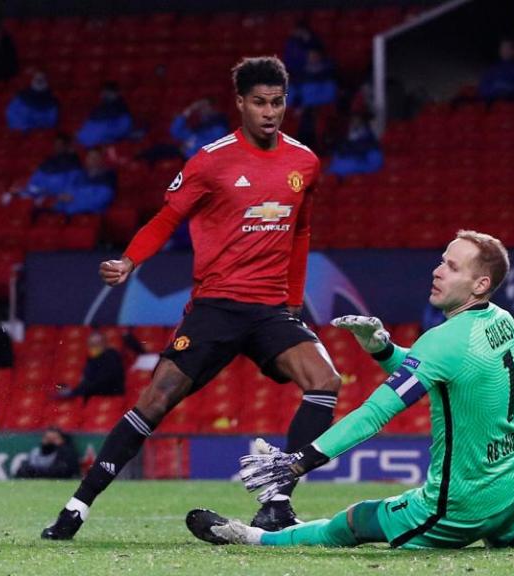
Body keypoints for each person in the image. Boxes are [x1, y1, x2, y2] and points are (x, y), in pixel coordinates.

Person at [186, 231, 514, 552]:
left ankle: (252, 538)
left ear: (480, 283)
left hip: (458, 504)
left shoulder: (443, 342)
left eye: (451, 267)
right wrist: (384, 348)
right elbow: (445, 371)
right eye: (441, 260)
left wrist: (298, 461)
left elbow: (374, 414)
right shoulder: (503, 322)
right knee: (506, 531)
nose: (437, 270)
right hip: (511, 489)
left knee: (356, 520)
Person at [41, 56, 341, 540]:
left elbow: (301, 232)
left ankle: (279, 503)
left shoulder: (303, 162)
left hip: (269, 310)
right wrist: (130, 262)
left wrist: (291, 299)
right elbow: (165, 218)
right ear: (240, 103)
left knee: (324, 380)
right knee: (155, 401)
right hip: (216, 306)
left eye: (278, 103)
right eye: (260, 103)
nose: (270, 112)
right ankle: (78, 505)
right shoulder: (210, 160)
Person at [56, 331, 125, 400]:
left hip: (109, 394)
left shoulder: (111, 356)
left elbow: (104, 380)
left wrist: (76, 392)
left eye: (97, 343)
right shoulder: (91, 359)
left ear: (104, 343)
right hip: (94, 394)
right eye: (92, 344)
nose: (94, 346)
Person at [52, 148, 116, 216]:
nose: (93, 160)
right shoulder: (78, 176)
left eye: (96, 157)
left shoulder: (108, 177)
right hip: (66, 216)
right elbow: (65, 195)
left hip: (90, 217)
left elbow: (100, 201)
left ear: (102, 160)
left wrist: (74, 199)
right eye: (90, 157)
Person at [24, 134, 83, 201]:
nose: (57, 147)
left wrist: (51, 195)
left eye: (60, 145)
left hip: (57, 200)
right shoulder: (47, 163)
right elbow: (33, 183)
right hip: (39, 196)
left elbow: (69, 190)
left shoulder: (74, 165)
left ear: (67, 146)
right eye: (56, 145)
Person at [76, 82, 133, 147]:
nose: (103, 95)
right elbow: (94, 117)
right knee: (86, 130)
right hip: (106, 127)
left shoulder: (120, 105)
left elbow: (123, 123)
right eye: (103, 92)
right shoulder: (103, 104)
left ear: (114, 93)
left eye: (107, 92)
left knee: (92, 130)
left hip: (117, 127)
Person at [15, 427, 81, 479]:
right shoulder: (36, 452)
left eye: (54, 439)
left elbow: (62, 472)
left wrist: (35, 472)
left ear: (62, 440)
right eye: (47, 438)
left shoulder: (67, 453)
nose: (50, 442)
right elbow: (22, 471)